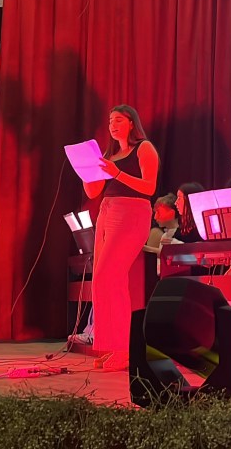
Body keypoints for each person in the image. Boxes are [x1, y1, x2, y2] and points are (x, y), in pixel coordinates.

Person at [83, 105, 160, 371]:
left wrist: (116, 173)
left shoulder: (144, 148)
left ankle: (125, 349)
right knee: (101, 281)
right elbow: (93, 192)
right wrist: (86, 170)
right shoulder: (110, 155)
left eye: (118, 120)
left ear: (131, 123)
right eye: (110, 121)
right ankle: (113, 347)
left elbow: (149, 187)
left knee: (110, 276)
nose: (112, 125)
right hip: (107, 211)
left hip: (132, 213)